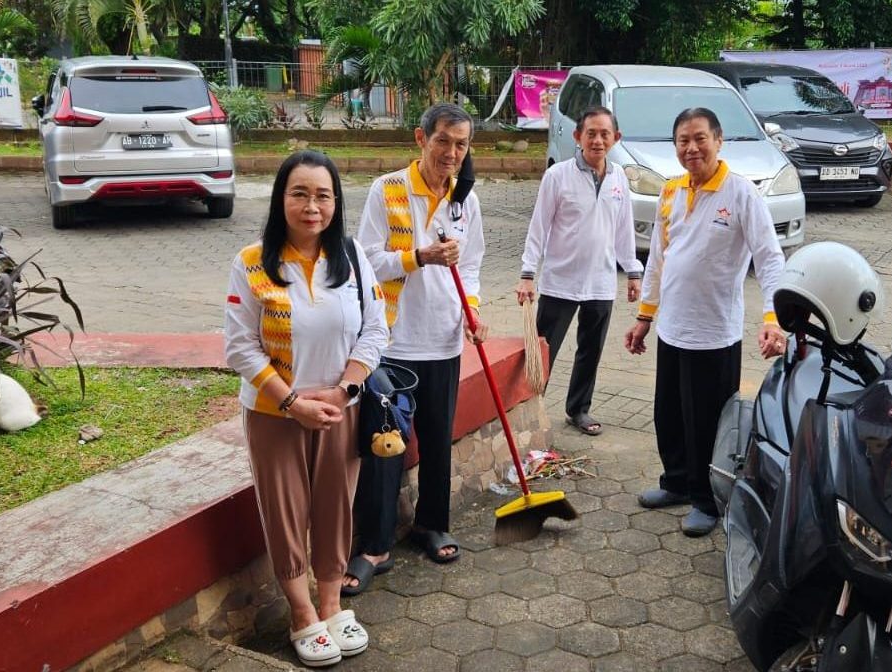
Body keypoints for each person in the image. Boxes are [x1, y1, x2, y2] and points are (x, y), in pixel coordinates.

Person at [224, 150, 389, 667]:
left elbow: (376, 328)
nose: (311, 206)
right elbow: (239, 347)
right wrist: (292, 403)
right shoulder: (251, 262)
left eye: (323, 195)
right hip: (276, 414)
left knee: (336, 505)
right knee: (287, 512)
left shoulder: (353, 257)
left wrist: (344, 391)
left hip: (340, 407)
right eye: (299, 193)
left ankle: (332, 603)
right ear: (281, 200)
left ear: (336, 203)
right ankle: (301, 614)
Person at [624, 108, 787, 537]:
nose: (691, 148)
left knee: (709, 424)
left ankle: (708, 499)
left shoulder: (741, 194)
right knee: (669, 415)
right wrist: (645, 316)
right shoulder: (671, 191)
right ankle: (676, 482)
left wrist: (774, 318)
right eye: (683, 140)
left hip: (715, 334)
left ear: (718, 141)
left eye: (700, 138)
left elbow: (770, 258)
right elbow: (658, 260)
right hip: (673, 329)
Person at [347, 103, 488, 588]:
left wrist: (471, 310)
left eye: (461, 144)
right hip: (392, 342)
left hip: (445, 339)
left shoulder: (465, 198)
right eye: (443, 141)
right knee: (384, 444)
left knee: (437, 438)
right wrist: (418, 257)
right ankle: (375, 544)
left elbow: (471, 265)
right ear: (420, 138)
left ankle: (431, 524)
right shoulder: (387, 190)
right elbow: (365, 261)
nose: (452, 153)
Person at [516, 105, 643, 436]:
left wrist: (632, 271)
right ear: (577, 136)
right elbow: (539, 227)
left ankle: (579, 409)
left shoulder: (619, 179)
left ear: (616, 138)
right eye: (591, 133)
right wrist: (528, 273)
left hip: (601, 283)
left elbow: (624, 230)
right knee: (543, 352)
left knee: (591, 350)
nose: (598, 140)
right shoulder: (558, 176)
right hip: (561, 282)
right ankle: (529, 410)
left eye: (605, 134)